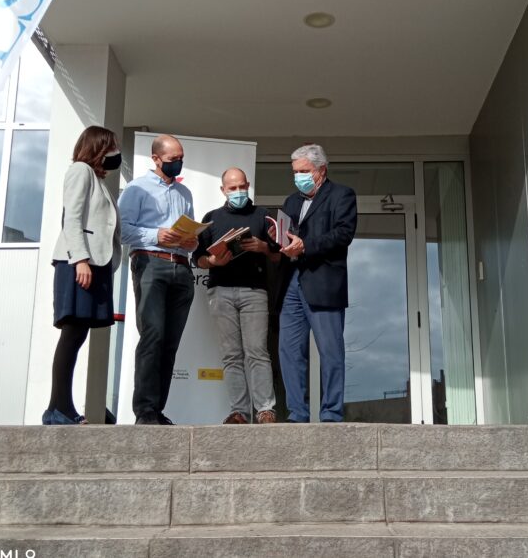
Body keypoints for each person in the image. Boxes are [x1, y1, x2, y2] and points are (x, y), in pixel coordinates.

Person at [118, 134, 198, 425]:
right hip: (150, 262)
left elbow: (191, 235)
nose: (178, 163)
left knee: (170, 343)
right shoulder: (137, 188)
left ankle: (157, 409)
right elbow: (122, 229)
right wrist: (156, 235)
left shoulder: (184, 193)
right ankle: (145, 411)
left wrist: (192, 242)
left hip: (182, 268)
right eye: (173, 159)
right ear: (155, 159)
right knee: (153, 336)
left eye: (181, 158)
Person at [45, 126, 122, 425]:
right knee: (72, 333)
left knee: (77, 335)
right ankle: (59, 409)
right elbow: (72, 217)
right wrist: (80, 260)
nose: (116, 153)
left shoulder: (98, 181)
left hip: (95, 263)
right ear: (99, 148)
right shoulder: (80, 171)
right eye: (112, 147)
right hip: (79, 262)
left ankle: (61, 407)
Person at [193, 168, 280, 425]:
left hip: (255, 291)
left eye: (242, 186)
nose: (238, 191)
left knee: (257, 351)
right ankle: (239, 411)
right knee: (232, 354)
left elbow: (278, 255)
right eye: (232, 188)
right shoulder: (211, 218)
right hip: (220, 290)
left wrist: (263, 247)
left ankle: (265, 409)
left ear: (248, 185)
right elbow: (198, 259)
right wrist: (213, 261)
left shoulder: (263, 216)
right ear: (223, 190)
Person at [277, 144, 357, 422]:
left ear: (321, 170)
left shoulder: (342, 195)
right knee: (289, 351)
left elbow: (343, 234)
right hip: (291, 283)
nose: (298, 177)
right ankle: (297, 413)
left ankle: (331, 413)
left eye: (304, 171)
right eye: (295, 172)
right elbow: (286, 237)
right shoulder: (291, 201)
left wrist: (306, 246)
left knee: (330, 351)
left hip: (323, 283)